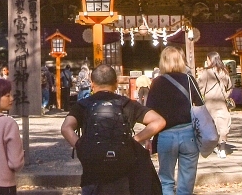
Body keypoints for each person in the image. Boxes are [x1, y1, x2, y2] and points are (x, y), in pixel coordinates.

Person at [62, 64, 166, 195]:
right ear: (116, 84)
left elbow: (66, 128)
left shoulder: (83, 105)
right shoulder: (127, 104)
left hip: (93, 169)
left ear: (92, 83)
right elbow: (159, 121)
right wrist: (135, 140)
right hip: (122, 169)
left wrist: (81, 145)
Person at [145, 47, 204, 195]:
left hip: (165, 134)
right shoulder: (189, 80)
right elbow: (201, 105)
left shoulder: (157, 82)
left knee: (166, 179)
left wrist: (148, 137)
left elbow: (149, 111)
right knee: (187, 179)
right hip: (189, 133)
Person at [197, 53, 233, 158]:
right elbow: (230, 87)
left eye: (207, 59)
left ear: (211, 60)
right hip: (221, 103)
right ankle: (222, 148)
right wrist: (225, 95)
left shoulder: (206, 72)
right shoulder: (224, 71)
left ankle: (213, 145)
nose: (207, 62)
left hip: (209, 103)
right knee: (223, 125)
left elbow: (199, 87)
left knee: (211, 126)